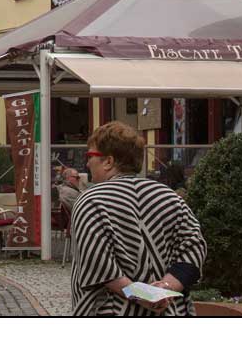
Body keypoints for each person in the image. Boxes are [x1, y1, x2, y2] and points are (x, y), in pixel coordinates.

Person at [68, 121, 208, 317]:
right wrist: (164, 288)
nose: (87, 163)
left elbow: (98, 264)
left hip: (111, 311)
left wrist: (144, 296)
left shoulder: (92, 200)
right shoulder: (170, 197)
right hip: (170, 312)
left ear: (108, 161)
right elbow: (194, 248)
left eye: (90, 156)